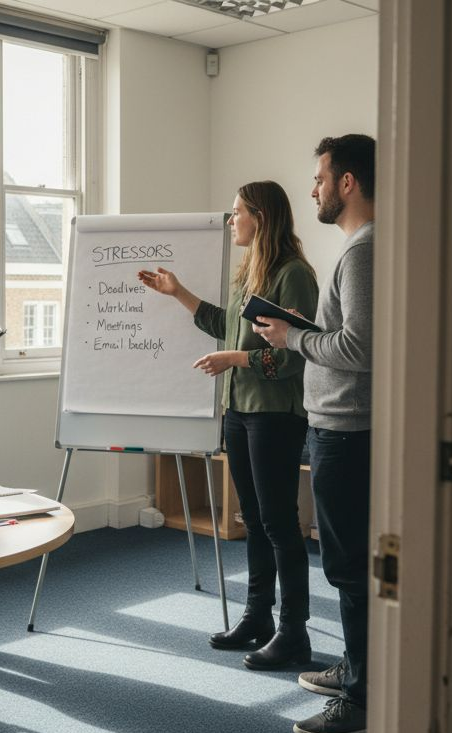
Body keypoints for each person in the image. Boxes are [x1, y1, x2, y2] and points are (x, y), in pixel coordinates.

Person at [138, 181, 319, 669]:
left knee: (280, 523)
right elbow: (227, 326)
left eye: (238, 211)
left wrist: (235, 358)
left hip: (276, 414)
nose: (231, 219)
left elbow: (294, 358)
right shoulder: (249, 273)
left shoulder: (294, 275)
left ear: (262, 216)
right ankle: (257, 616)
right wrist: (178, 294)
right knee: (254, 519)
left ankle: (293, 633)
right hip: (238, 411)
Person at [252, 134, 376, 733]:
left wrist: (293, 338)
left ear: (347, 182)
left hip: (348, 432)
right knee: (348, 563)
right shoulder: (360, 248)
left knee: (350, 567)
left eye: (322, 178)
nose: (315, 189)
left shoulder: (363, 252)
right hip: (337, 428)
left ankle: (363, 700)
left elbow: (358, 347)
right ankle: (359, 669)